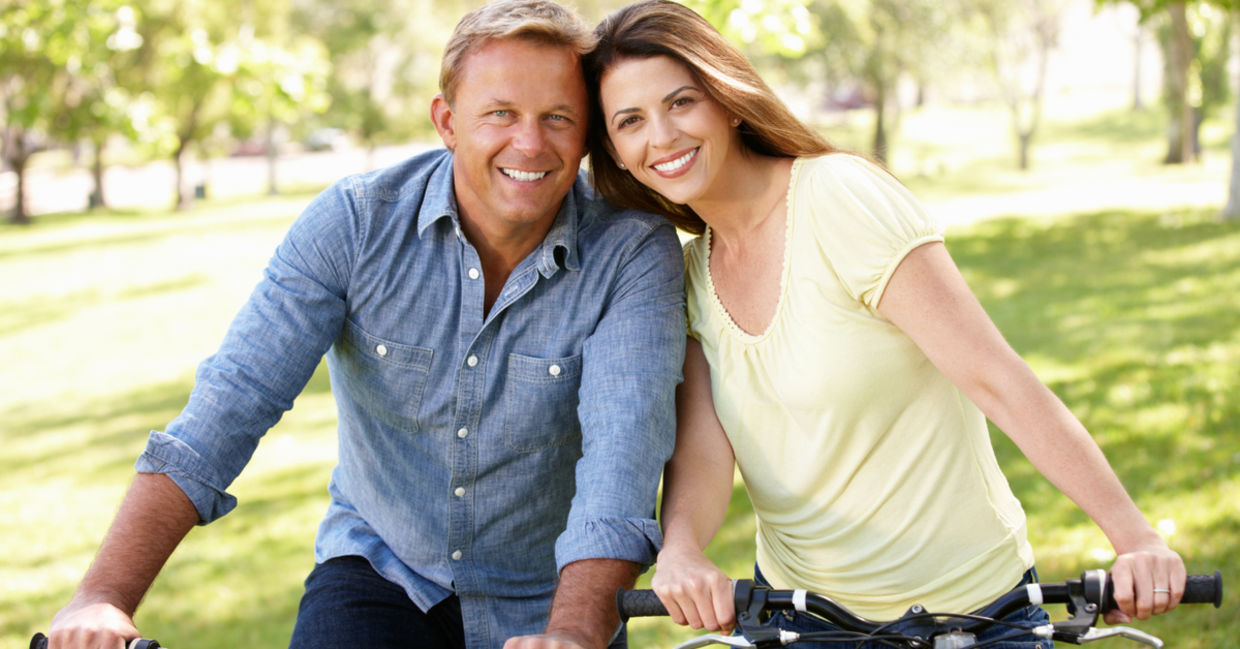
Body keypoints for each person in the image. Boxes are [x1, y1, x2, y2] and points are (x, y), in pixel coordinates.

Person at [46, 2, 687, 649]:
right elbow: (228, 406)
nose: (530, 142)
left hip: (553, 594)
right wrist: (103, 596)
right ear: (447, 121)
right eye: (500, 113)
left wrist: (574, 635)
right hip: (385, 570)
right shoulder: (355, 224)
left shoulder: (630, 253)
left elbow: (620, 466)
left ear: (585, 134)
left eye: (558, 118)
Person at [582, 1, 1187, 646]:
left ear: (728, 99)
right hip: (806, 620)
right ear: (615, 152)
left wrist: (1134, 537)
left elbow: (995, 377)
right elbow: (705, 451)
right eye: (631, 121)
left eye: (681, 102)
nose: (662, 137)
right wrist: (681, 549)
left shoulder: (837, 197)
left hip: (971, 614)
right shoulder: (690, 273)